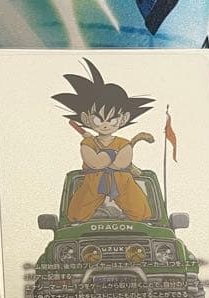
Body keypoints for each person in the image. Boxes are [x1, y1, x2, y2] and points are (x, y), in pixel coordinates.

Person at [53, 59, 154, 222]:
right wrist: (111, 154)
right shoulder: (88, 143)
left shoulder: (123, 143)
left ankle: (142, 219)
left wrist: (106, 157)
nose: (105, 124)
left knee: (141, 214)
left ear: (123, 119)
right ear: (86, 119)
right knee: (76, 216)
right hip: (92, 182)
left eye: (112, 119)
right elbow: (95, 163)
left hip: (123, 182)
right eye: (98, 119)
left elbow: (121, 163)